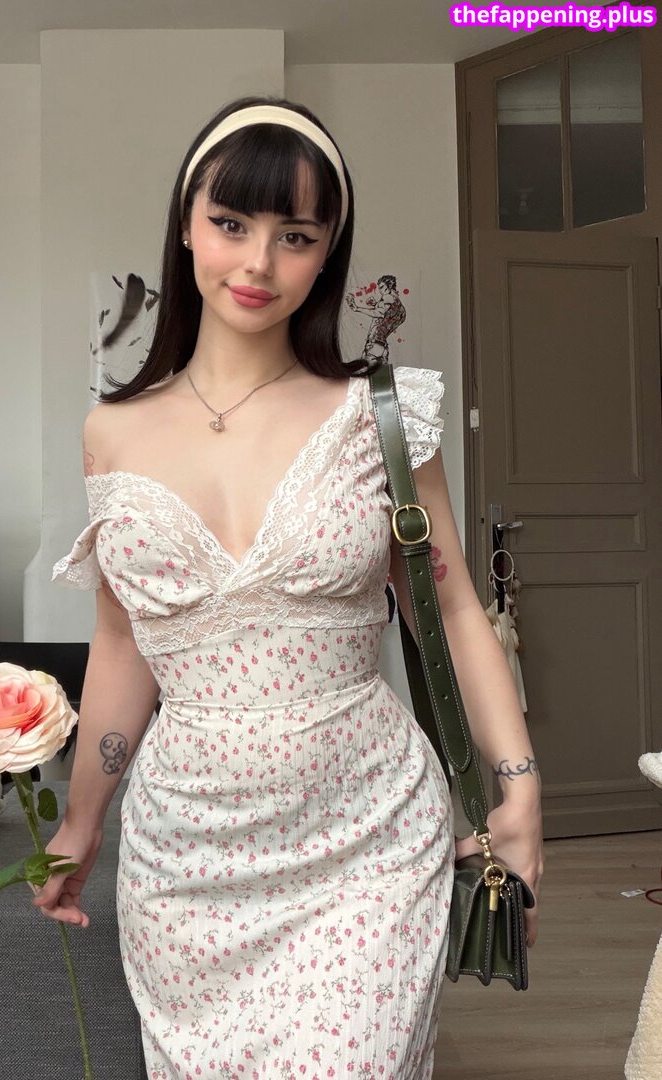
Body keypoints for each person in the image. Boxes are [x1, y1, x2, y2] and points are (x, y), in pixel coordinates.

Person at [41, 95, 544, 1077]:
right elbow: (122, 642)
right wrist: (81, 820)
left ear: (327, 253)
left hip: (365, 842)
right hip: (186, 863)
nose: (259, 263)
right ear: (187, 224)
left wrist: (519, 787)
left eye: (296, 235)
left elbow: (450, 610)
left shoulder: (382, 418)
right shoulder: (112, 432)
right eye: (231, 223)